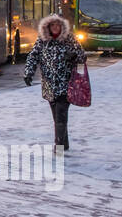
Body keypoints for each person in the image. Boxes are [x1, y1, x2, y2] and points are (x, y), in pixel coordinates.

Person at [23, 13, 86, 152]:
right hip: (49, 85)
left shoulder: (69, 38)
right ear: (48, 27)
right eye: (53, 25)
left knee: (60, 115)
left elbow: (82, 56)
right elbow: (33, 56)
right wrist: (28, 73)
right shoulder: (42, 40)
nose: (55, 27)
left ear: (62, 26)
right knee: (57, 116)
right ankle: (65, 143)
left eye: (58, 25)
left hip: (66, 84)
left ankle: (58, 147)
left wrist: (74, 55)